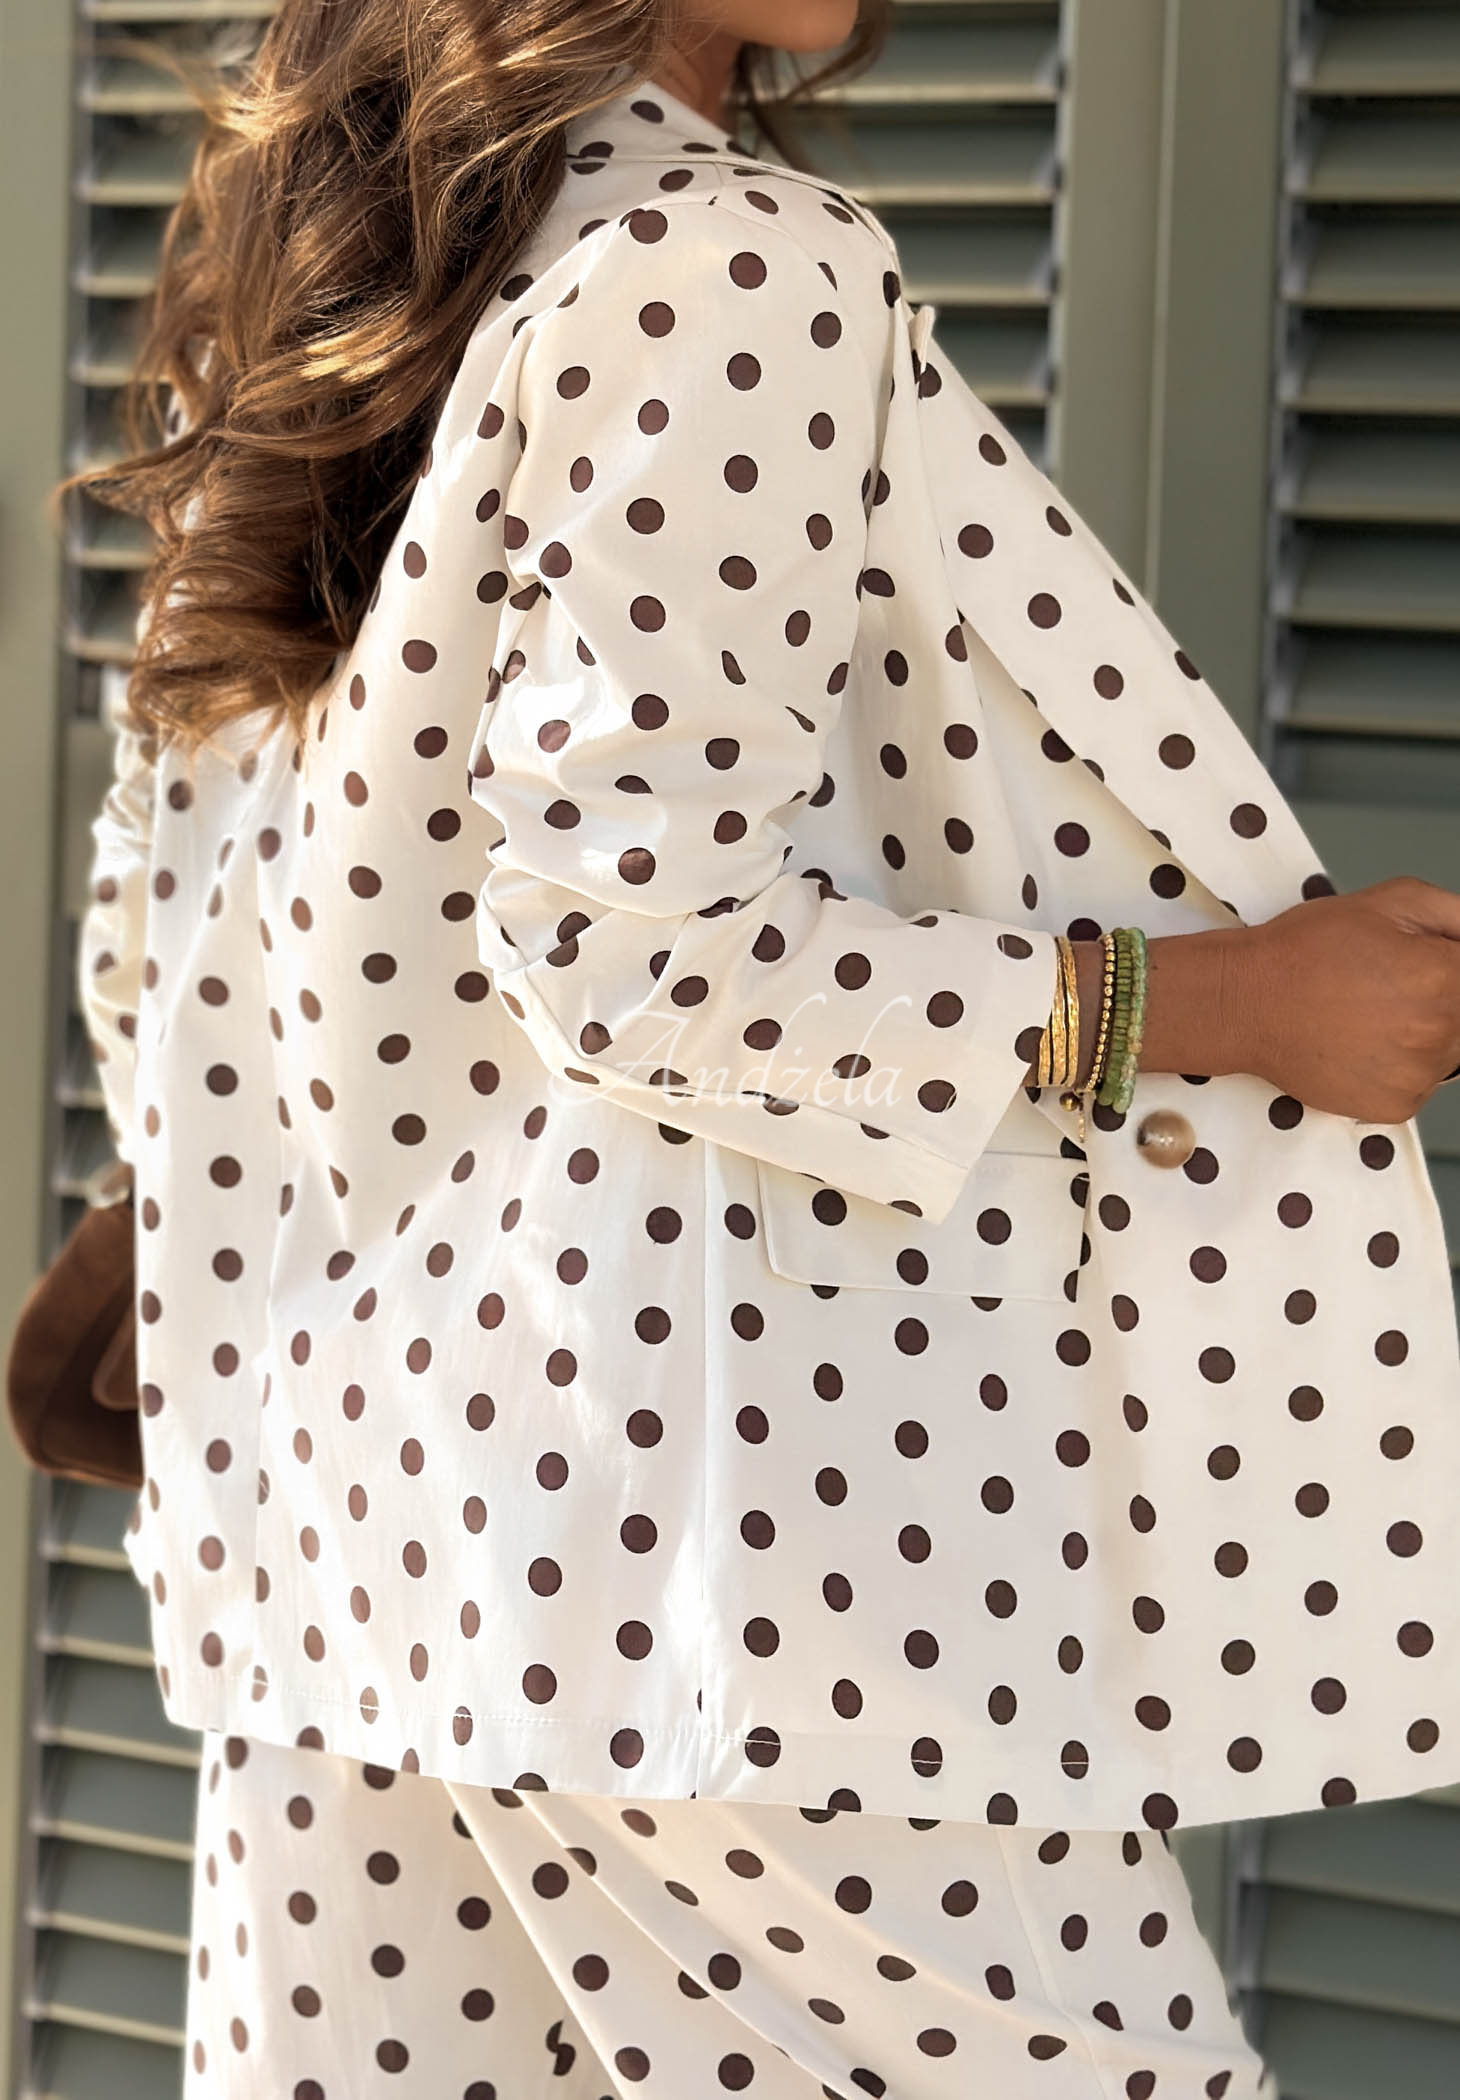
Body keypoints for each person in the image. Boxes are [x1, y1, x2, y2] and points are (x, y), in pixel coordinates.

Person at [63, 0, 1460, 2091]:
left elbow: (155, 929)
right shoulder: (724, 264)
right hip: (735, 1557)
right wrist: (1238, 1005)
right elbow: (636, 954)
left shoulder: (326, 278)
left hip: (348, 1532)